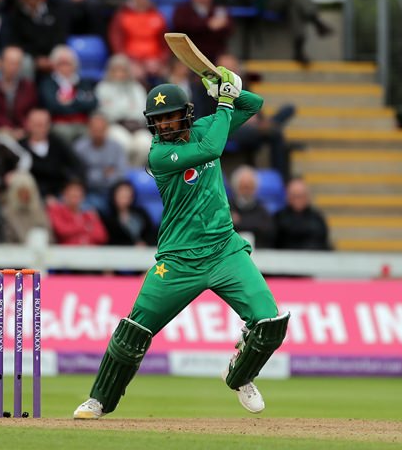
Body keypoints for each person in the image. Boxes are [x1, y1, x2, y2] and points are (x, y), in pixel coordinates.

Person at [73, 67, 290, 419]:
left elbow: (253, 106)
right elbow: (212, 148)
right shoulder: (159, 155)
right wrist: (222, 100)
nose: (165, 126)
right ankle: (98, 400)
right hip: (177, 261)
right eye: (158, 121)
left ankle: (239, 375)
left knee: (270, 323)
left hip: (224, 251)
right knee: (135, 330)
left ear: (186, 114)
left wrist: (221, 84)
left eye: (171, 117)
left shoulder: (205, 126)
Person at [254, 0, 333, 65]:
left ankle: (299, 51)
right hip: (269, 2)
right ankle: (316, 21)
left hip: (288, 3)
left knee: (294, 8)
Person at [274, 177, 331, 250]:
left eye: (301, 196)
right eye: (294, 196)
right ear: (288, 196)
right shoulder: (278, 218)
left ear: (307, 197)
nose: (298, 200)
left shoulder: (317, 218)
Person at [229, 165, 275, 248]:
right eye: (244, 187)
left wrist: (239, 222)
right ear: (236, 187)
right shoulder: (228, 207)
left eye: (250, 187)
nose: (247, 191)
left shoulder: (262, 209)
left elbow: (268, 231)